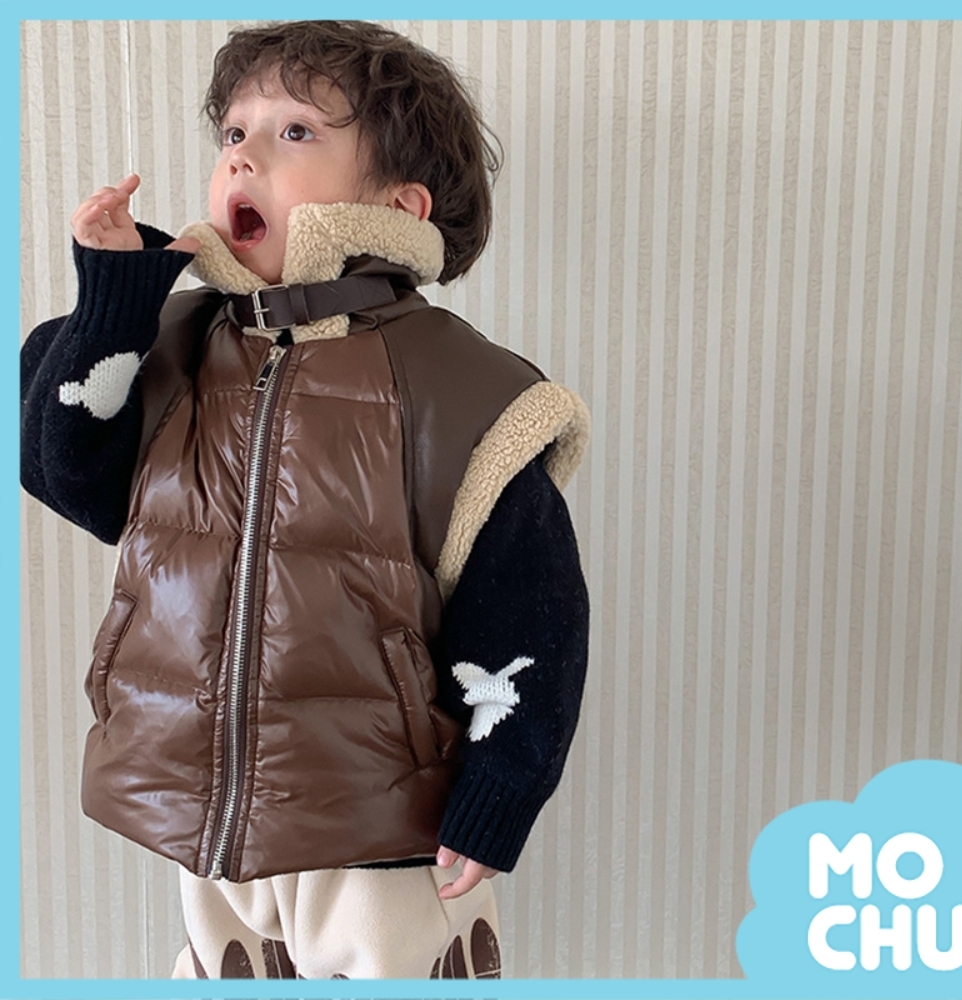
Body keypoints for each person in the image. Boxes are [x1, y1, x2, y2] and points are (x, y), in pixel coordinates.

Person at [20, 20, 589, 980]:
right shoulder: (168, 351)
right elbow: (64, 469)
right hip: (207, 817)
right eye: (233, 133)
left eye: (294, 132)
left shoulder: (464, 393)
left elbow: (529, 615)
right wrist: (114, 298)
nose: (243, 154)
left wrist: (502, 790)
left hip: (386, 830)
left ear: (398, 203)